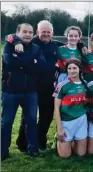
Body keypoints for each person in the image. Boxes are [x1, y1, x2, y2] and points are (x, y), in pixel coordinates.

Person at [5, 20, 86, 152]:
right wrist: (15, 40)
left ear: (52, 33)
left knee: (46, 116)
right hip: (31, 87)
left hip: (49, 86)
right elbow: (11, 36)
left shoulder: (56, 46)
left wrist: (81, 44)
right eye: (43, 32)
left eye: (48, 32)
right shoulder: (31, 42)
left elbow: (71, 44)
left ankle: (40, 142)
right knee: (28, 117)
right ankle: (22, 143)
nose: (46, 34)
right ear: (37, 32)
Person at [1, 23, 45, 160]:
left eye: (30, 32)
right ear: (17, 33)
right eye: (24, 31)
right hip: (10, 92)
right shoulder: (9, 46)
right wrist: (32, 61)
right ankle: (2, 151)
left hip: (31, 92)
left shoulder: (36, 48)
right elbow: (10, 62)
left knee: (31, 121)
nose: (27, 34)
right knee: (7, 122)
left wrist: (21, 61)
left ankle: (32, 149)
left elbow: (41, 66)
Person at [53, 59, 88, 158]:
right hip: (67, 122)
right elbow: (56, 108)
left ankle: (72, 141)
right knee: (65, 156)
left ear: (80, 69)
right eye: (69, 68)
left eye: (75, 68)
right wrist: (60, 128)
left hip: (81, 120)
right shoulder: (62, 85)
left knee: (81, 154)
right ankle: (59, 139)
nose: (72, 71)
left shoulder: (84, 83)